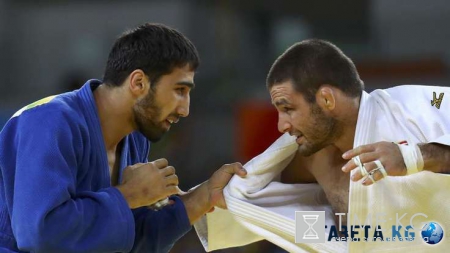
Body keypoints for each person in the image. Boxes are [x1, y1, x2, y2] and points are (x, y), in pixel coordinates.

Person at [0, 23, 246, 253]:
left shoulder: (135, 139)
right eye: (179, 90)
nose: (185, 110)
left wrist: (203, 197)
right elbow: (40, 235)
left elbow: (130, 238)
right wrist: (128, 194)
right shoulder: (50, 122)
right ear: (138, 82)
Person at [267, 39, 450, 230]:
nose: (281, 125)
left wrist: (415, 157)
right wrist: (233, 193)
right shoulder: (309, 160)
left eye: (288, 108)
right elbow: (259, 203)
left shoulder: (417, 105)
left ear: (327, 99)